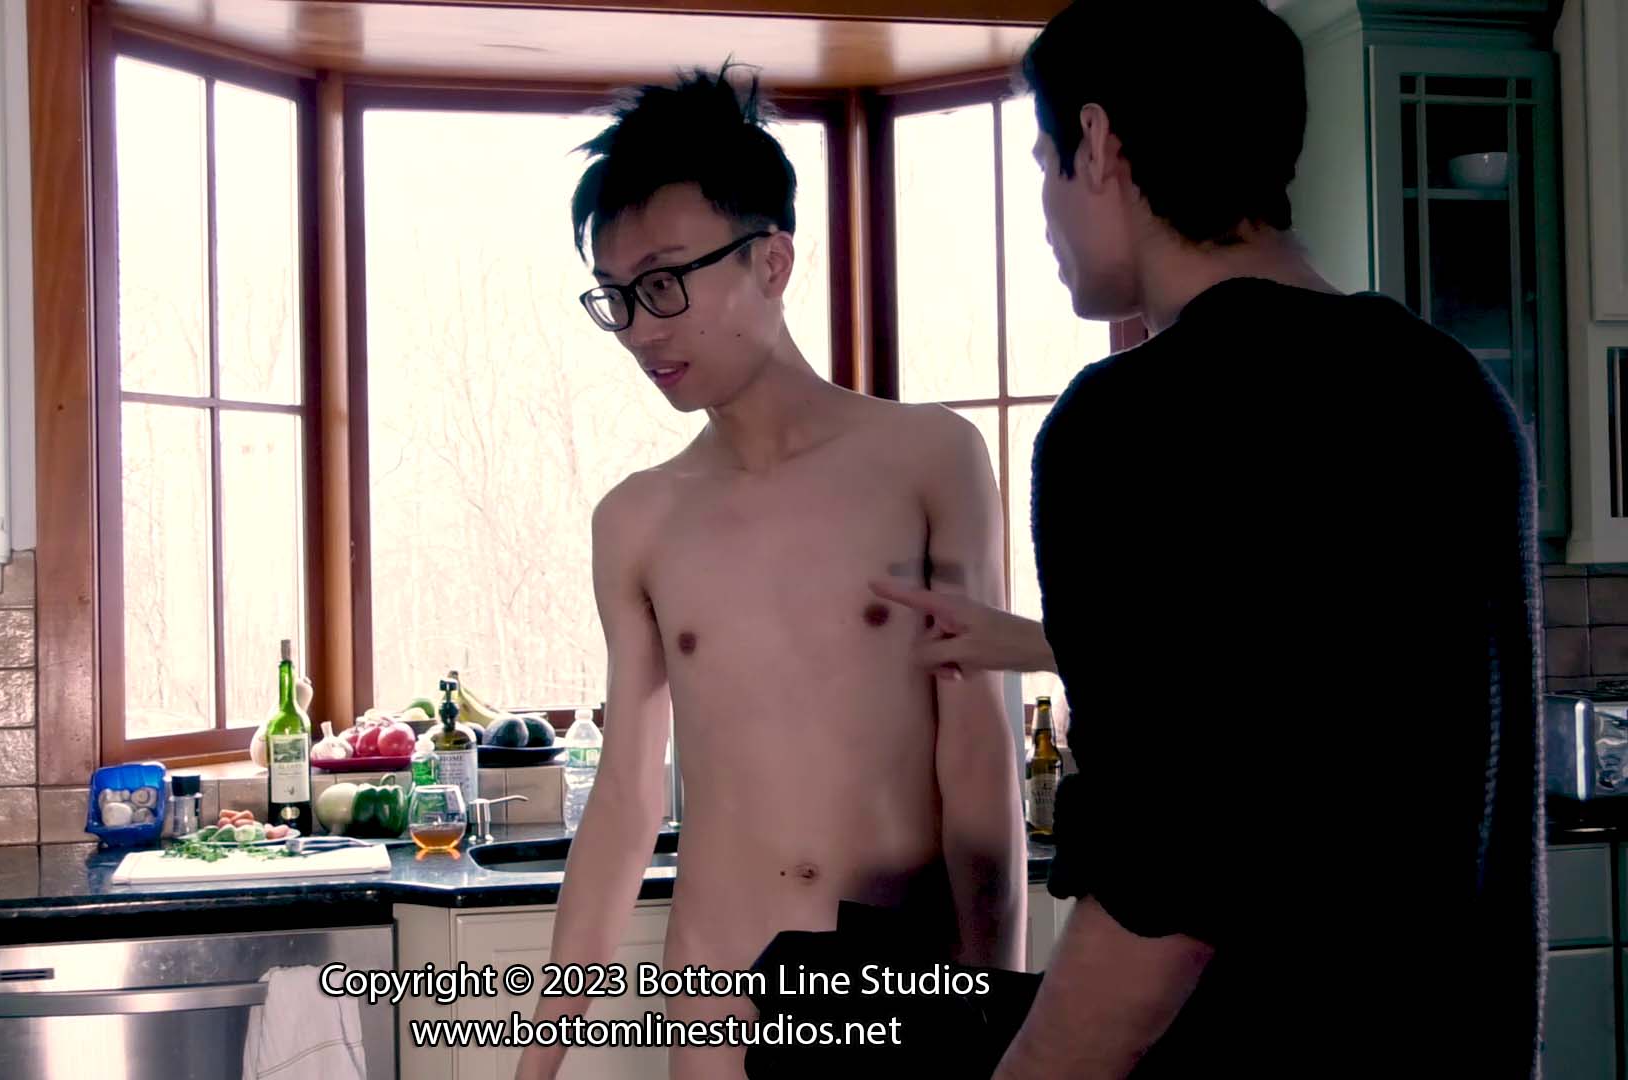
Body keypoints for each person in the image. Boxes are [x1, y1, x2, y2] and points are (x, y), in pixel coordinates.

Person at [869, 1, 1546, 1076]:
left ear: (1099, 142)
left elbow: (1163, 890)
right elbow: (1321, 696)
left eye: (1044, 161)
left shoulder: (1132, 424)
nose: (1044, 206)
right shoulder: (1455, 392)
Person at [512, 63, 1027, 1080]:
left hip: (895, 990)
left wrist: (991, 1011)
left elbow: (977, 762)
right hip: (718, 999)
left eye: (665, 283)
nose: (641, 328)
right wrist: (541, 1060)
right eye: (617, 296)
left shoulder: (929, 458)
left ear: (773, 261)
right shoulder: (638, 520)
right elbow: (626, 801)